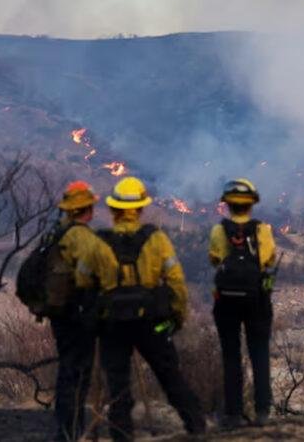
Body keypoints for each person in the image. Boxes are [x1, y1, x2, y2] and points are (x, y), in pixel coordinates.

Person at [77, 177, 205, 440]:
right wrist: (177, 317)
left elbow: (82, 281)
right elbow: (177, 282)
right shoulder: (156, 240)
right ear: (141, 208)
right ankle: (198, 428)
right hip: (152, 323)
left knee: (118, 389)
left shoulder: (97, 243)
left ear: (113, 210)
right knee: (170, 376)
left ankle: (121, 436)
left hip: (112, 325)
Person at [209, 178, 278, 428]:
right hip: (257, 301)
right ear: (251, 204)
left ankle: (234, 414)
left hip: (226, 302)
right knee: (259, 353)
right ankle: (261, 412)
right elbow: (269, 260)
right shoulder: (262, 231)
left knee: (231, 356)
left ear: (227, 205)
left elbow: (215, 259)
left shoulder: (219, 230)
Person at [52, 181, 109, 441]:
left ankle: (65, 429)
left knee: (66, 370)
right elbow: (92, 277)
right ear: (88, 208)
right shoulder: (83, 238)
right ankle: (72, 432)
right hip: (79, 314)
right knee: (79, 375)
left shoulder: (57, 233)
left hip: (59, 314)